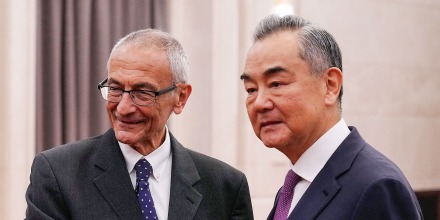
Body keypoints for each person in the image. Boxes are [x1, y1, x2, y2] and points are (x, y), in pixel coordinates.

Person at [26, 29, 254, 220]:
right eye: (115, 89)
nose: (123, 108)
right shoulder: (58, 174)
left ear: (181, 97)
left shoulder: (225, 187)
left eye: (142, 92)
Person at [240, 15, 423, 219]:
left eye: (276, 84)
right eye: (251, 89)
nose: (259, 103)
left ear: (330, 85)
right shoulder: (292, 189)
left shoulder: (377, 186)